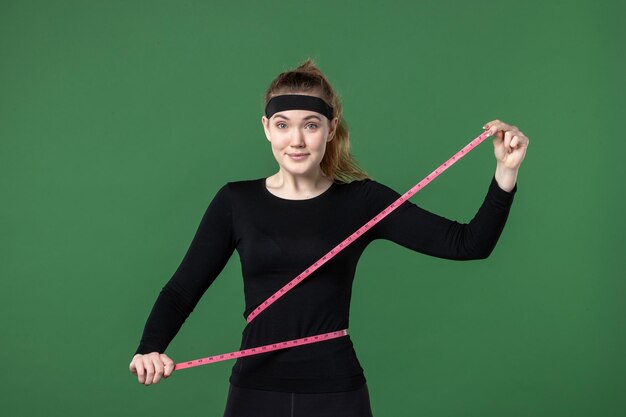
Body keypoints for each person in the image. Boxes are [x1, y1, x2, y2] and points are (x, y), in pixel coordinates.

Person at [129, 58, 529, 417]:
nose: (297, 140)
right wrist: (150, 348)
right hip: (255, 390)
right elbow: (182, 291)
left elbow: (469, 244)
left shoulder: (363, 200)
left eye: (311, 125)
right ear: (266, 128)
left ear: (331, 128)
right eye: (283, 125)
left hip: (336, 391)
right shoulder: (236, 201)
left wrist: (505, 173)